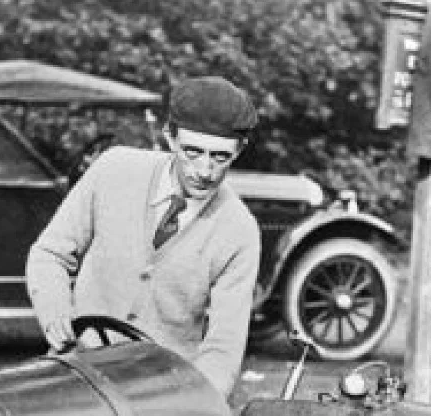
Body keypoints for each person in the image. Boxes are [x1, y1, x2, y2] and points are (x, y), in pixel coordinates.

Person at [25, 75, 262, 399]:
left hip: (160, 397)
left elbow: (223, 348)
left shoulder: (239, 231)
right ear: (170, 137)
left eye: (220, 157)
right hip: (77, 374)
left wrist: (198, 406)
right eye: (192, 152)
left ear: (240, 150)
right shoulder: (113, 170)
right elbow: (50, 254)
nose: (204, 171)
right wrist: (56, 314)